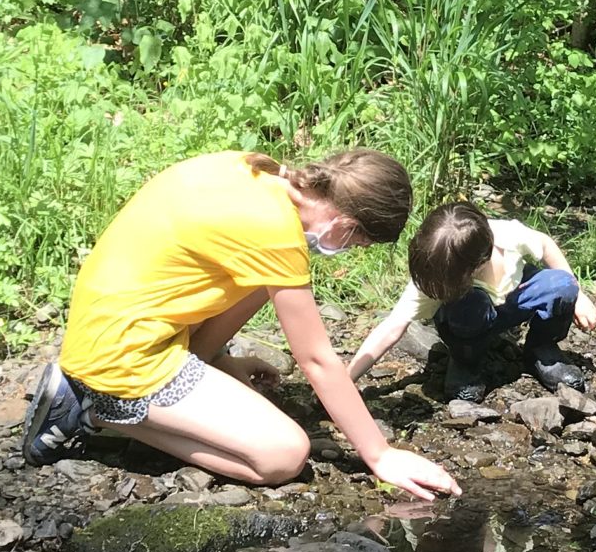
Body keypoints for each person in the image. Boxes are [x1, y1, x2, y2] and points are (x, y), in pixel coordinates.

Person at [22, 149, 461, 500]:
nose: (352, 250)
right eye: (359, 242)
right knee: (283, 455)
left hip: (106, 322)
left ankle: (192, 366)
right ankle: (96, 409)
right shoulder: (276, 233)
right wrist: (380, 455)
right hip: (123, 354)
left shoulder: (250, 169)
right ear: (346, 224)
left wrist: (215, 358)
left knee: (261, 280)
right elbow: (316, 359)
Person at [346, 202, 596, 397]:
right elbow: (391, 328)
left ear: (481, 260)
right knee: (470, 306)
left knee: (561, 285)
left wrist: (579, 295)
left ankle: (541, 349)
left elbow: (545, 245)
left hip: (514, 299)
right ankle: (466, 363)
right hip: (468, 320)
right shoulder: (436, 272)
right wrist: (346, 381)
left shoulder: (507, 236)